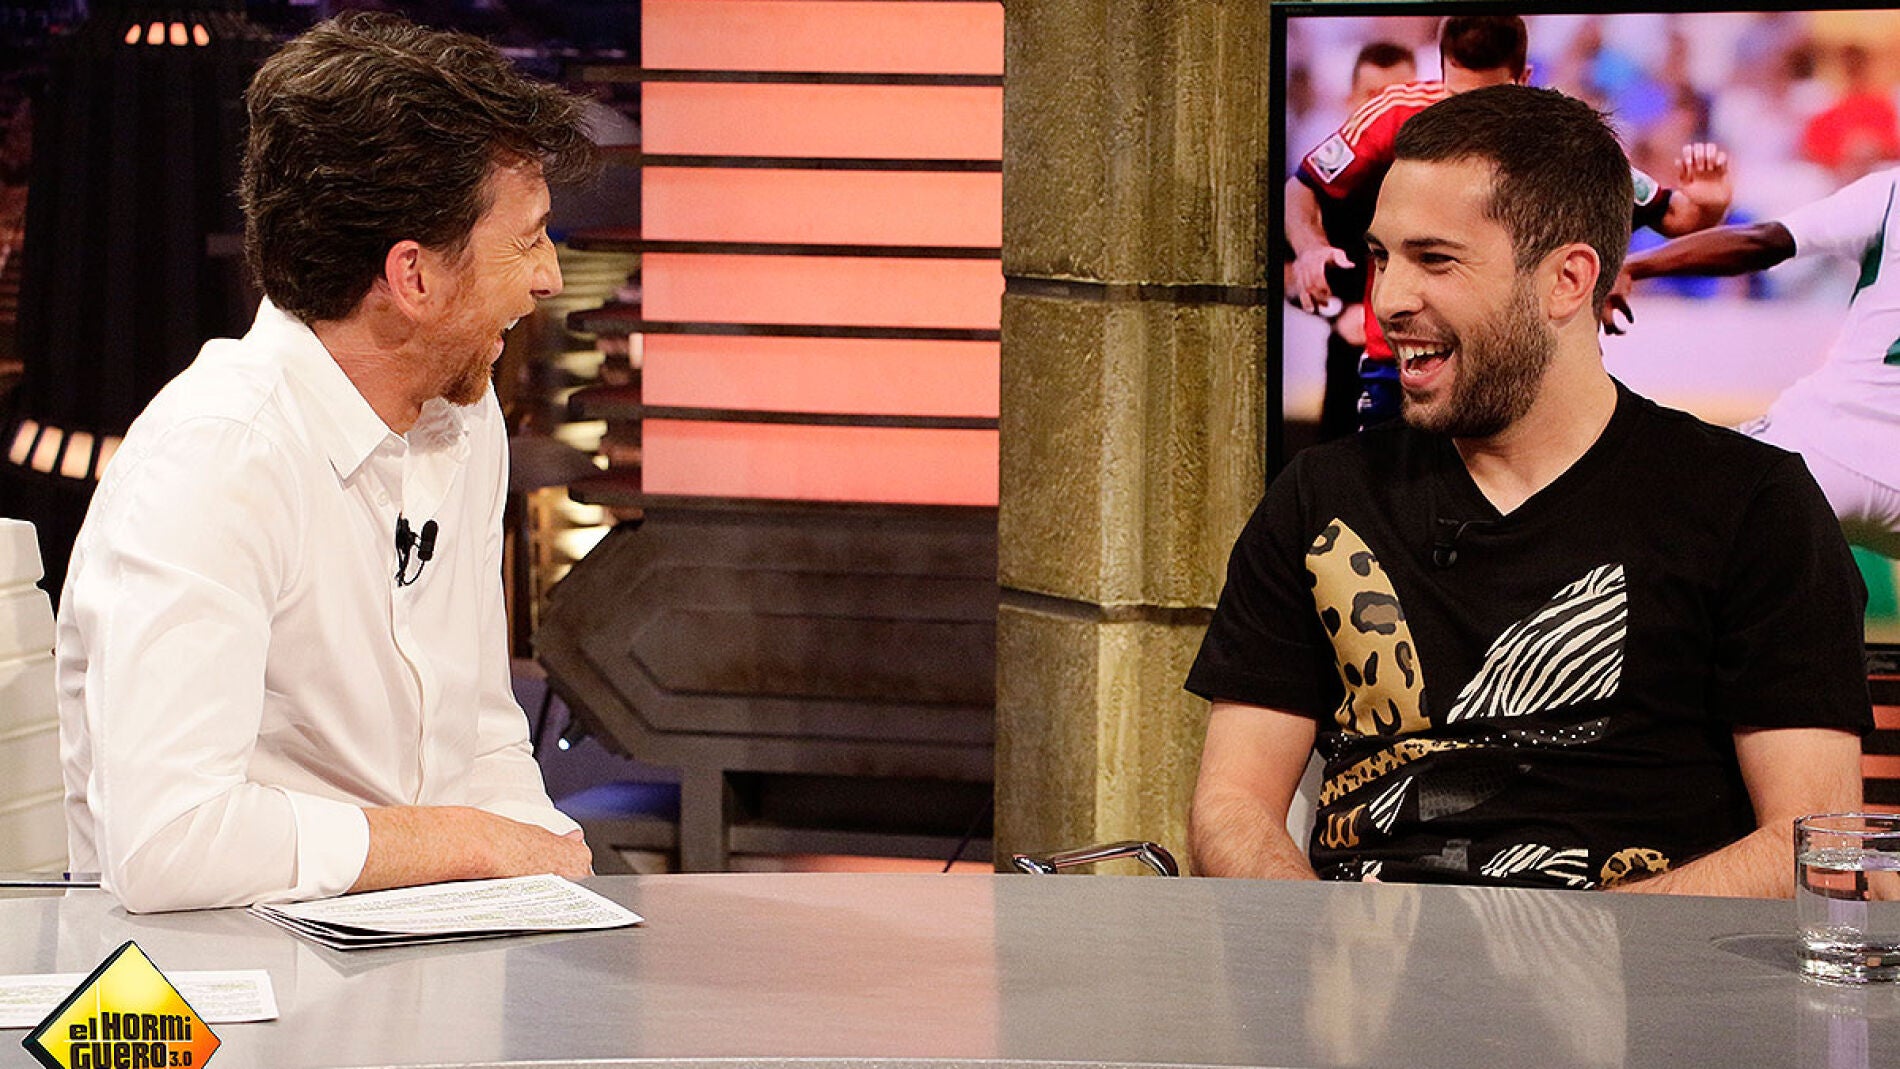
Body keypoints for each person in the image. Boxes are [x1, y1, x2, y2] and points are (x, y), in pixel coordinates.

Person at [1192, 85, 1870, 896]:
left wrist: (1562, 949)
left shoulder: (1752, 503)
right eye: (1381, 257)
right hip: (1360, 958)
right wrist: (1326, 939)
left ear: (1567, 280)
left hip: (1645, 968)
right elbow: (1231, 807)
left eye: (1434, 259)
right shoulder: (1319, 495)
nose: (1388, 299)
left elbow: (1814, 845)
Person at [55, 13, 599, 913]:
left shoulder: (465, 420)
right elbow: (168, 841)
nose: (549, 277)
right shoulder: (218, 457)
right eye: (526, 239)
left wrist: (550, 882)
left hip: (419, 956)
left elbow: (481, 737)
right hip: (218, 982)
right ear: (413, 277)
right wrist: (465, 841)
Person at [1286, 15, 1734, 430]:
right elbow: (1302, 187)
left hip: (1510, 369)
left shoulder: (1562, 136)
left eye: (1491, 103)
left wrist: (1710, 205)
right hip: (1403, 360)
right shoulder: (1392, 115)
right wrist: (1309, 248)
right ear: (1441, 72)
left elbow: (1678, 216)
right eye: (1458, 100)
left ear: (1523, 79)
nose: (1471, 120)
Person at [1605, 168, 1900, 560]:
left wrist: (1635, 267)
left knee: (1653, 525)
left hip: (1826, 442)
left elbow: (1764, 241)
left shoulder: (1892, 191)